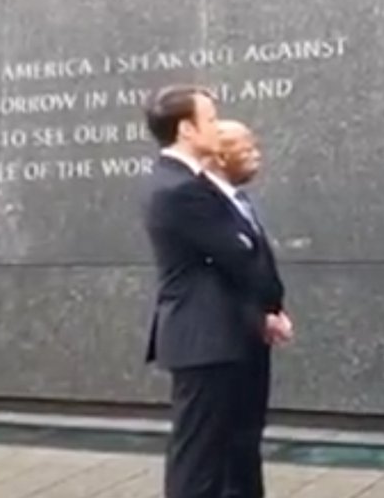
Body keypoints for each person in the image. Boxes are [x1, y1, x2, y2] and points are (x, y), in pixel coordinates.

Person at [139, 85, 292, 498]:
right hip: (205, 339)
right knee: (200, 461)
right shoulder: (179, 188)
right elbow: (238, 252)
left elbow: (242, 248)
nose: (216, 125)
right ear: (187, 129)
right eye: (209, 118)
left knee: (233, 451)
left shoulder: (187, 183)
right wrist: (270, 305)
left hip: (224, 335)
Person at [204, 119, 292, 498]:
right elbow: (219, 280)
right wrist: (259, 318)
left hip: (252, 338)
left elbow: (257, 266)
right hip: (227, 338)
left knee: (247, 435)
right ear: (220, 155)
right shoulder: (207, 207)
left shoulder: (238, 202)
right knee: (230, 441)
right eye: (247, 145)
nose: (257, 153)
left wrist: (274, 309)